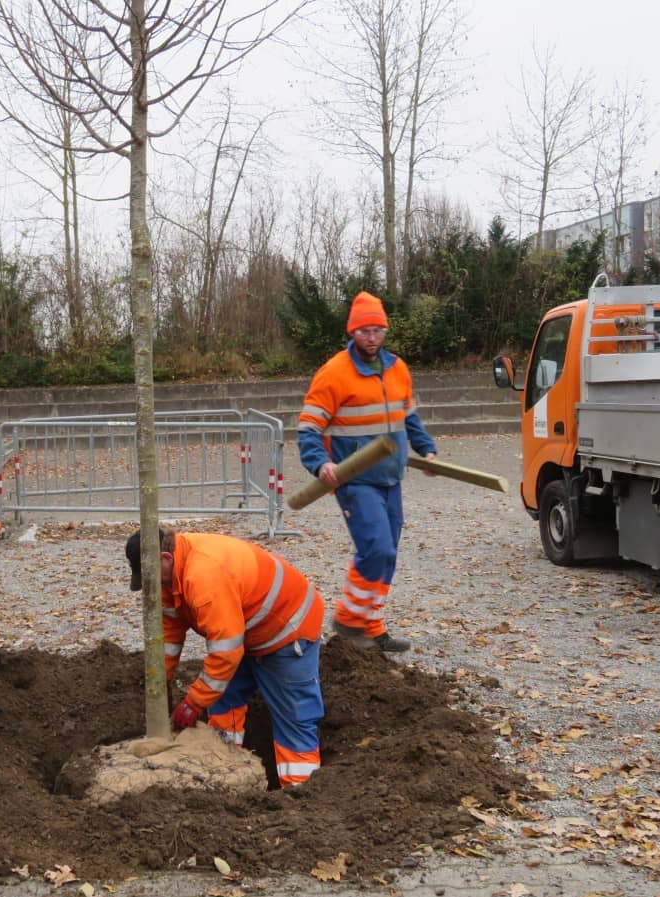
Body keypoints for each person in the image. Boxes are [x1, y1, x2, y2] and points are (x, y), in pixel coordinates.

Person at [125, 526, 326, 789]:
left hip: (288, 630)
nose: (151, 583)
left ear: (165, 558)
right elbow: (169, 637)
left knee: (293, 717)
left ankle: (301, 792)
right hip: (246, 628)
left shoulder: (203, 577)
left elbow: (226, 653)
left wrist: (194, 702)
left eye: (150, 575)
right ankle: (227, 771)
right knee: (223, 699)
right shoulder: (169, 575)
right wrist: (160, 685)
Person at [297, 291, 437, 654]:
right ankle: (347, 620)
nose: (371, 337)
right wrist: (320, 464)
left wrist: (427, 448)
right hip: (355, 479)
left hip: (391, 477)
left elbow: (409, 416)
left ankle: (372, 626)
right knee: (375, 548)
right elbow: (309, 428)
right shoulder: (334, 373)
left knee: (387, 554)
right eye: (364, 331)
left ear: (385, 331)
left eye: (377, 330)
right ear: (352, 333)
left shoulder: (398, 369)